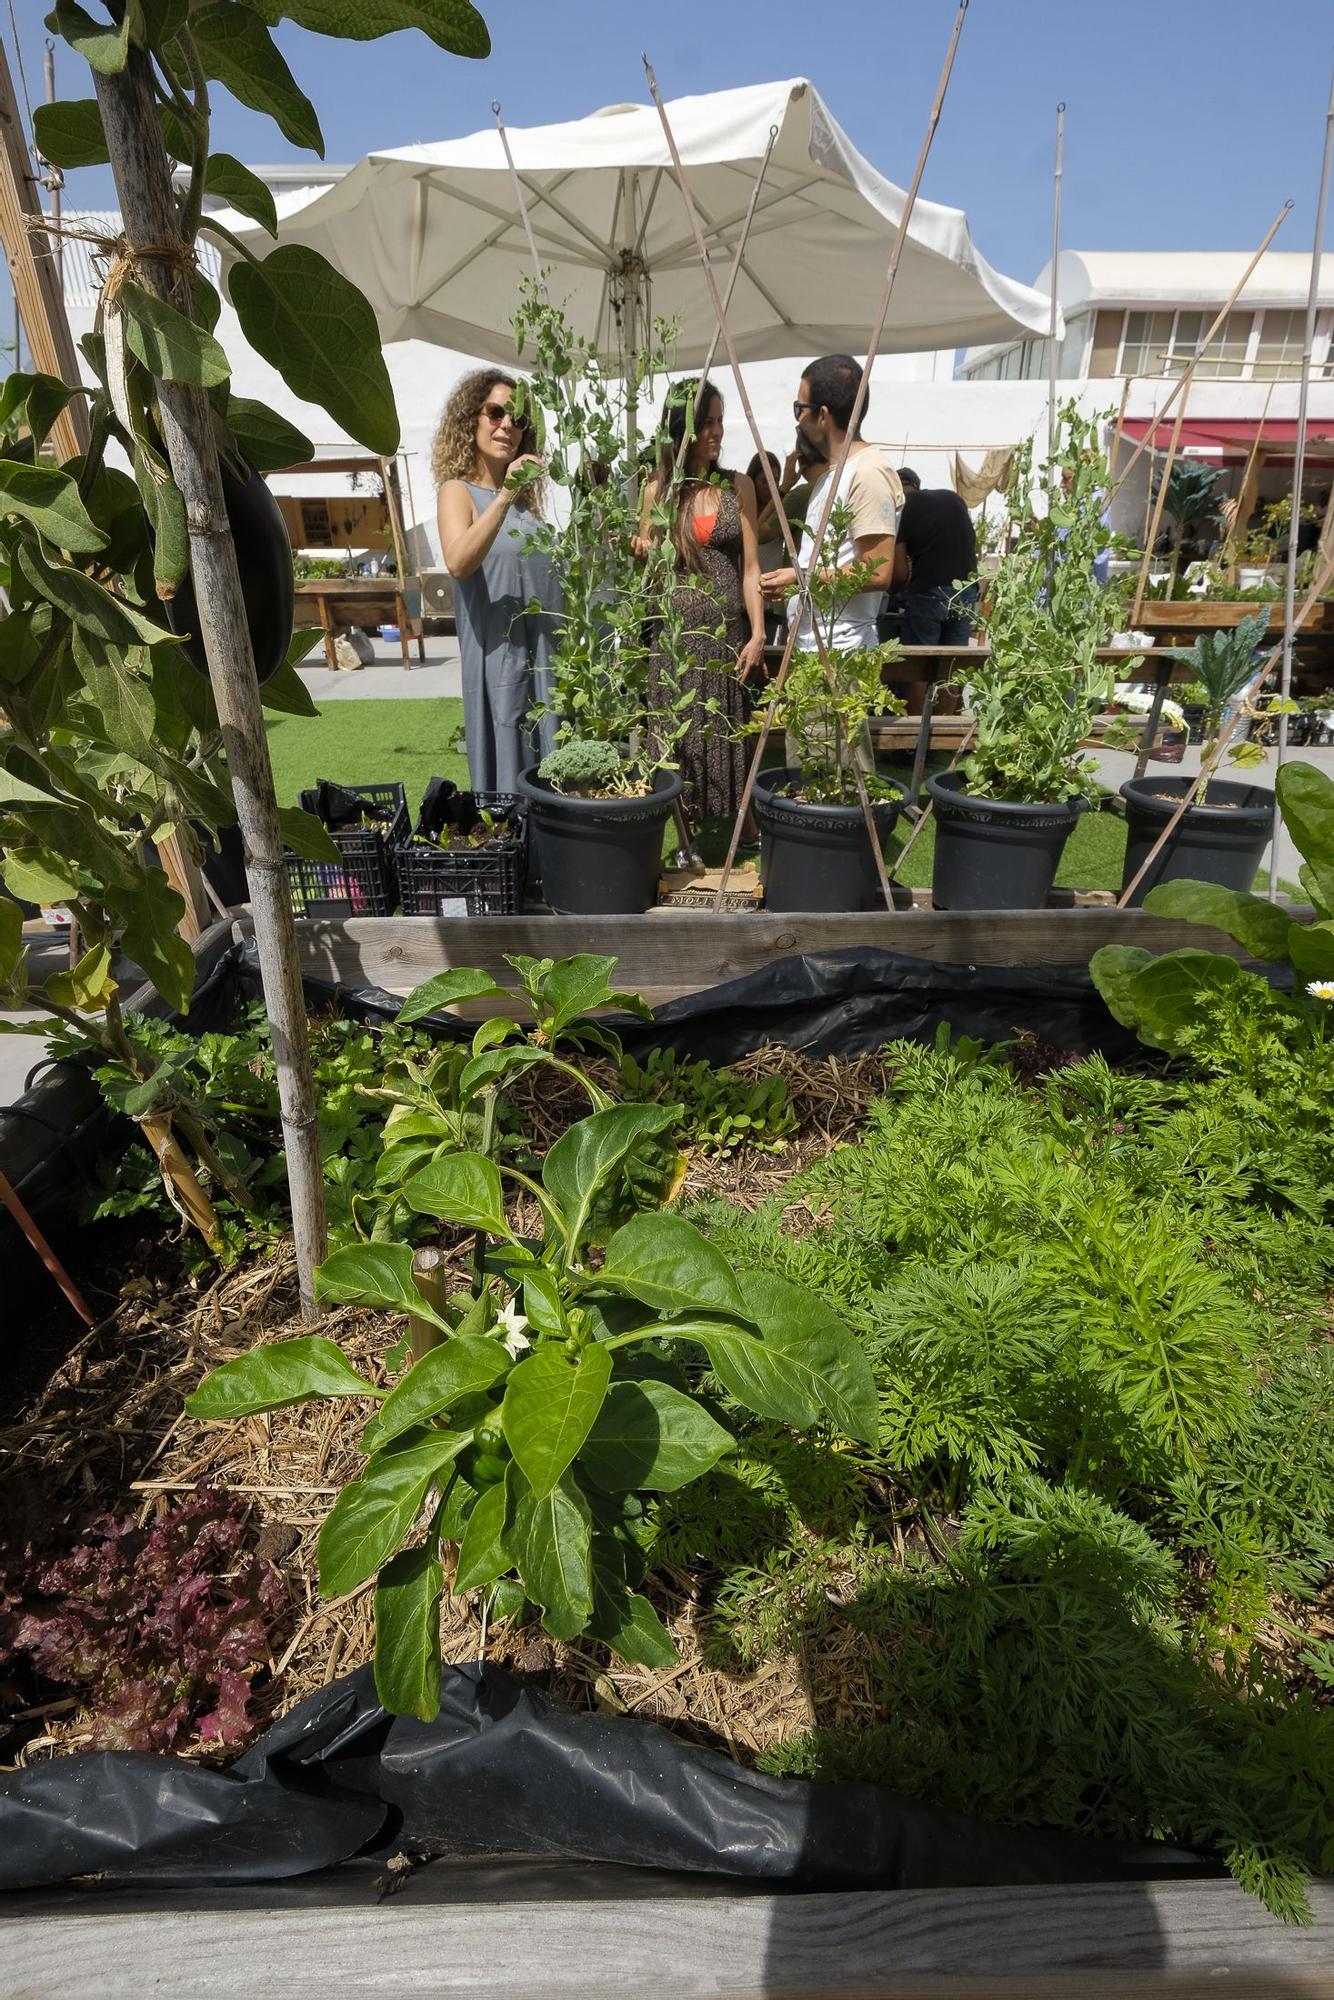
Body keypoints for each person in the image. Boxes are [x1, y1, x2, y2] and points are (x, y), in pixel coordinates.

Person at [639, 379, 765, 825]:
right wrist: (643, 549)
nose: (716, 432)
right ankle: (684, 830)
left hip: (728, 637)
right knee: (679, 731)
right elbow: (651, 573)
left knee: (728, 730)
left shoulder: (739, 487)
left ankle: (740, 823)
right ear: (682, 428)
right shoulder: (660, 492)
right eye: (705, 422)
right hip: (676, 640)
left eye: (719, 421)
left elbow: (751, 569)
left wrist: (758, 634)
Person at [435, 369, 559, 793]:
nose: (508, 424)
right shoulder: (459, 492)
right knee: (510, 784)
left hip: (546, 664)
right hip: (499, 665)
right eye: (496, 412)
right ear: (472, 418)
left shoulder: (528, 508)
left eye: (519, 418)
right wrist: (505, 495)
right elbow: (458, 561)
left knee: (553, 781)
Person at [760, 353, 901, 654]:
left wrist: (800, 578)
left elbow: (878, 571)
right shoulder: (832, 475)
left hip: (843, 653)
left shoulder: (868, 473)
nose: (797, 418)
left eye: (800, 408)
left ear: (822, 415)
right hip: (814, 648)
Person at [892, 468, 979, 645]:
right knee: (953, 665)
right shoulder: (952, 498)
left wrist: (891, 595)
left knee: (919, 663)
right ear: (917, 485)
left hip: (930, 594)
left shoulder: (902, 509)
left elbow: (900, 574)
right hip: (966, 590)